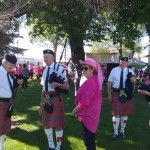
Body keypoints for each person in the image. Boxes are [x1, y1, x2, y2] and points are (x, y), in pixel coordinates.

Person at [39, 49, 69, 150]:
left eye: (46, 57)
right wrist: (41, 104)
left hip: (55, 98)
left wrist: (58, 84)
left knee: (58, 125)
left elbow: (67, 86)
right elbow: (43, 89)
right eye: (44, 57)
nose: (44, 59)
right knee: (46, 124)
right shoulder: (45, 70)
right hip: (45, 99)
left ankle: (58, 146)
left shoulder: (60, 69)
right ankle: (51, 145)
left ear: (52, 57)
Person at [72, 57, 104, 150]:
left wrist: (74, 110)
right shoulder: (92, 80)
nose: (83, 70)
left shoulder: (92, 82)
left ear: (92, 69)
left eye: (86, 68)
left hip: (89, 115)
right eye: (83, 68)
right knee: (89, 138)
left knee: (89, 140)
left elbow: (85, 101)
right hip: (89, 114)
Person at [107, 57, 137, 141]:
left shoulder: (130, 71)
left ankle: (122, 131)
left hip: (127, 94)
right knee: (116, 113)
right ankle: (115, 132)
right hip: (116, 92)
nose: (122, 63)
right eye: (120, 62)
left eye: (123, 62)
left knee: (124, 113)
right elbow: (109, 82)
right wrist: (109, 94)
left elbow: (135, 82)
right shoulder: (114, 70)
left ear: (127, 63)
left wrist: (134, 80)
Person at [0, 54, 23, 150]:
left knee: (3, 131)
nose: (13, 67)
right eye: (12, 64)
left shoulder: (7, 74)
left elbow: (10, 86)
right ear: (4, 62)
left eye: (14, 65)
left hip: (6, 104)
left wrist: (17, 83)